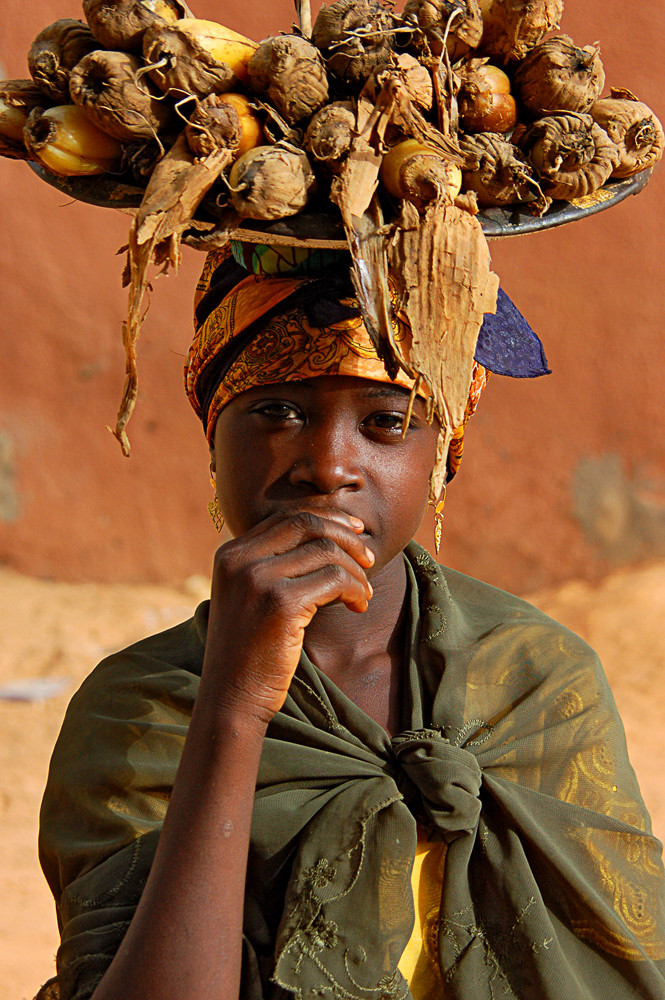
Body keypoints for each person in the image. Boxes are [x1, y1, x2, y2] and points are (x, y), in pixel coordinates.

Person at [37, 244, 665, 1000]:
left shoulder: (534, 677)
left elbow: (618, 958)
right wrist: (233, 709)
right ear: (213, 437)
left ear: (442, 460)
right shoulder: (143, 708)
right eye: (278, 411)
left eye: (386, 422)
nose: (328, 464)